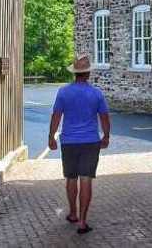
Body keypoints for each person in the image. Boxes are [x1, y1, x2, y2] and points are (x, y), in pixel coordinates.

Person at [48, 55, 111, 235]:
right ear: (88, 73)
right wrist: (106, 136)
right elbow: (104, 118)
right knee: (86, 180)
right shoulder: (96, 93)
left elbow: (56, 116)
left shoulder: (63, 92)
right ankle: (83, 222)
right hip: (91, 141)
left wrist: (51, 136)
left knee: (71, 179)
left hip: (69, 142)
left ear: (74, 73)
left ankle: (73, 213)